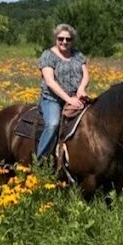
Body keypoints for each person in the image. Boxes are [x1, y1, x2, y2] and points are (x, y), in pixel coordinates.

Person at [36, 23, 89, 160]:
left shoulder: (78, 55)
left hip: (76, 97)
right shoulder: (48, 55)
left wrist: (81, 89)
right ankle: (40, 160)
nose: (64, 42)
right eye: (61, 38)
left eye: (68, 39)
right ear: (56, 38)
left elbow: (85, 75)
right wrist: (69, 99)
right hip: (52, 99)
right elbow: (50, 81)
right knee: (53, 124)